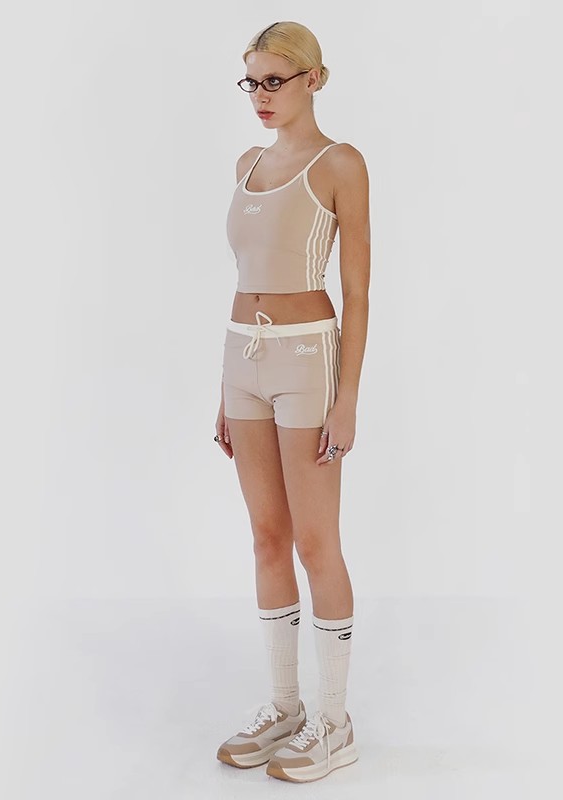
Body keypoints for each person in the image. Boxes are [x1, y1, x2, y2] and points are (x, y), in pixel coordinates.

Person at [213, 20, 370, 784]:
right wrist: (224, 389)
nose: (261, 96)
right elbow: (244, 277)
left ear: (313, 79)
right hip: (241, 357)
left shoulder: (339, 163)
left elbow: (358, 291)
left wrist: (348, 398)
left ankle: (334, 724)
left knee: (316, 542)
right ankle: (284, 707)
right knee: (266, 539)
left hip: (308, 361)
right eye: (252, 81)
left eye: (275, 80)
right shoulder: (246, 163)